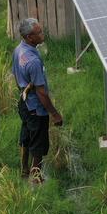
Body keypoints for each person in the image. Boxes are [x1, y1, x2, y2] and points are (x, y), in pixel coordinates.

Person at [12, 17, 63, 184]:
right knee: (38, 144)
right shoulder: (33, 61)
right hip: (35, 107)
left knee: (26, 136)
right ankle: (36, 178)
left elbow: (18, 74)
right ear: (29, 37)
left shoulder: (19, 50)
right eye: (38, 32)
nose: (42, 34)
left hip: (24, 103)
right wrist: (55, 114)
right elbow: (42, 94)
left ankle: (24, 170)